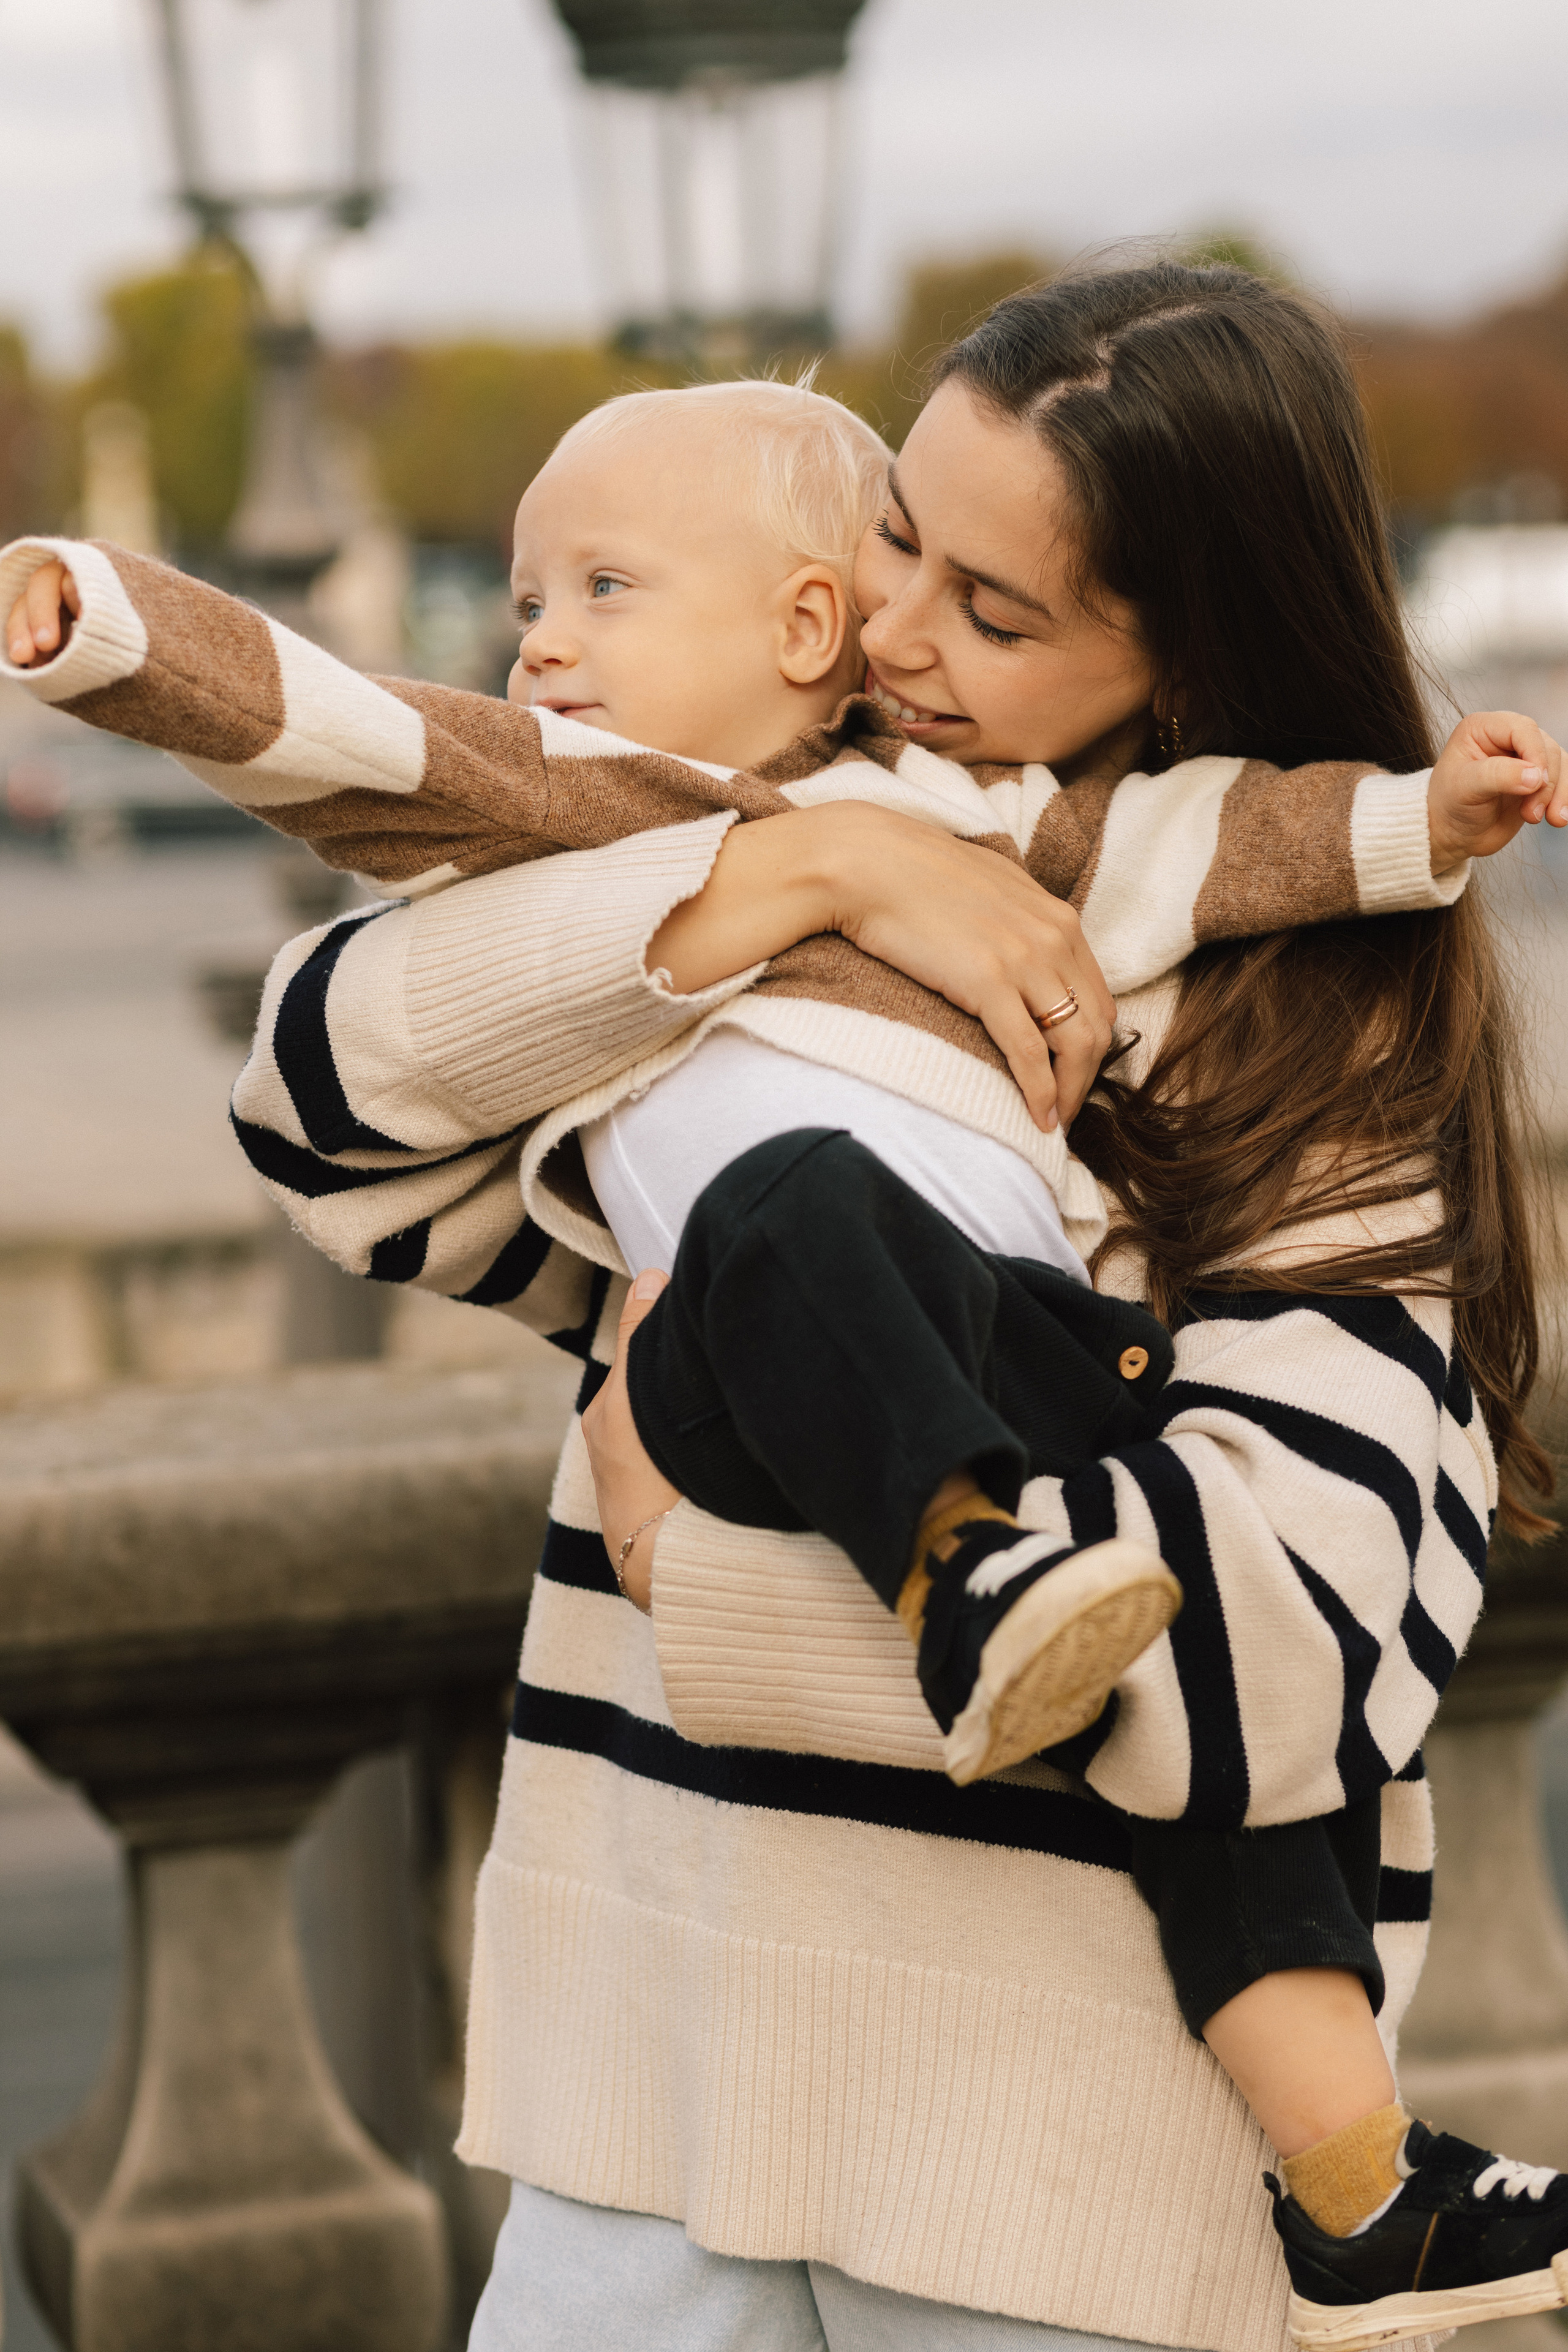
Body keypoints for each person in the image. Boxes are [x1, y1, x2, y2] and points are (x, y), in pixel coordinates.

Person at [2, 267, 1564, 2351]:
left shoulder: (1318, 1048)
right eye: (902, 536)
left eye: (996, 615)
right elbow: (320, 1097)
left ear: (1187, 656)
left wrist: (695, 1573)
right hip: (640, 2107)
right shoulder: (785, 863)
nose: (893, 631)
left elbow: (1276, 1663)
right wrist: (809, 884)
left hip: (1051, 2176)